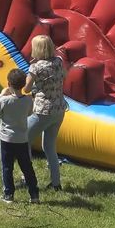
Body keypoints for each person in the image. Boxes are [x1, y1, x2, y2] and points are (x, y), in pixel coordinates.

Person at [23, 35, 66, 191]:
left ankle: (27, 178)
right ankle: (56, 183)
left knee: (23, 140)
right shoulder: (59, 61)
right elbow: (63, 77)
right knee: (49, 146)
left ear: (37, 49)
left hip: (42, 111)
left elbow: (26, 89)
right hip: (59, 109)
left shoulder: (35, 67)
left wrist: (31, 75)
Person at [0, 68, 39, 204]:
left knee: (7, 167)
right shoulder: (28, 100)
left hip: (6, 139)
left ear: (8, 84)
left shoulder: (5, 100)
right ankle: (34, 195)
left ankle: (9, 195)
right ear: (24, 84)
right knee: (27, 167)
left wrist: (1, 94)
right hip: (22, 139)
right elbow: (29, 113)